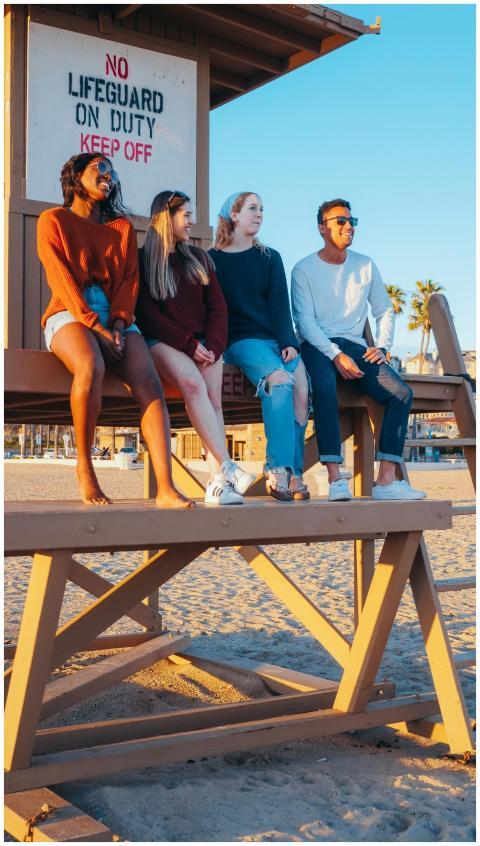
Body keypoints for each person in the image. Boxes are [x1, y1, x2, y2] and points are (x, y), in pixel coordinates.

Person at [38, 153, 192, 508]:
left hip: (116, 316)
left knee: (150, 383)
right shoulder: (53, 220)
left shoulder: (121, 227)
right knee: (92, 366)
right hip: (69, 313)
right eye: (99, 169)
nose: (108, 176)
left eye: (112, 172)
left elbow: (128, 281)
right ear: (77, 174)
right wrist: (95, 326)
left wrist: (119, 323)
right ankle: (85, 468)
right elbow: (61, 280)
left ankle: (166, 488)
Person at [291, 198, 425, 501]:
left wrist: (383, 346)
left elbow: (384, 309)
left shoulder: (365, 265)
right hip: (315, 343)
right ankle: (335, 478)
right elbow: (305, 322)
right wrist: (335, 355)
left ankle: (387, 481)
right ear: (322, 228)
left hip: (355, 344)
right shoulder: (303, 269)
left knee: (401, 393)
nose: (349, 226)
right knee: (324, 387)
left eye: (352, 221)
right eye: (341, 221)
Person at [135, 190, 255, 505]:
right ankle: (228, 466)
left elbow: (218, 306)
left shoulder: (199, 258)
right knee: (192, 384)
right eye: (186, 215)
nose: (191, 221)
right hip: (163, 342)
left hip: (205, 343)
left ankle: (218, 484)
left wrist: (213, 345)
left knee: (213, 400)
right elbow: (147, 315)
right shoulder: (142, 260)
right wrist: (189, 345)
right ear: (166, 216)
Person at [209, 192, 310, 502]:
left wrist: (289, 342)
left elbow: (280, 306)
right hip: (241, 341)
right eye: (252, 208)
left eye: (262, 209)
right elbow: (212, 309)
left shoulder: (270, 257)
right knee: (279, 380)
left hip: (275, 340)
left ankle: (294, 472)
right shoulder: (213, 259)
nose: (260, 214)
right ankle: (277, 469)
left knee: (302, 392)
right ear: (234, 216)